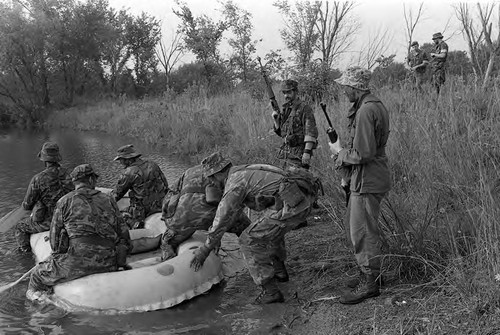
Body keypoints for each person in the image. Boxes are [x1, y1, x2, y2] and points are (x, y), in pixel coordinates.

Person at [189, 152, 319, 304]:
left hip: (294, 206)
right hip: (303, 200)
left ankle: (270, 292)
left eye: (211, 178)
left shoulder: (234, 183)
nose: (211, 183)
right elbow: (232, 214)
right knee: (268, 230)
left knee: (248, 240)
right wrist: (216, 236)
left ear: (217, 173)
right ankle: (280, 272)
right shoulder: (246, 170)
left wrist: (204, 250)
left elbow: (222, 217)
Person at [329, 66, 391, 305]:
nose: (344, 90)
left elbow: (363, 152)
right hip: (371, 176)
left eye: (346, 86)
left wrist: (340, 153)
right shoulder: (375, 105)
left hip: (367, 179)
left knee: (362, 232)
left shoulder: (365, 111)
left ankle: (370, 285)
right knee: (364, 229)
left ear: (356, 87)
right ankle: (372, 275)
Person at [26, 164, 131, 301]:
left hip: (76, 262)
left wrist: (59, 257)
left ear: (74, 182)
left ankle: (38, 301)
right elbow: (124, 234)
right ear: (92, 180)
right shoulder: (109, 199)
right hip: (108, 261)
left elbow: (55, 243)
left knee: (36, 276)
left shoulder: (64, 202)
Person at [160, 163, 251, 261]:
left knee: (168, 242)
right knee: (247, 230)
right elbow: (230, 205)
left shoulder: (189, 171)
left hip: (182, 219)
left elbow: (170, 194)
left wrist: (167, 217)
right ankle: (259, 255)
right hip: (212, 214)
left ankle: (169, 257)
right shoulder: (226, 175)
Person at [14, 142, 73, 253]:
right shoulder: (69, 174)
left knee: (20, 227)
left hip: (50, 221)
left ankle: (26, 253)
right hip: (70, 218)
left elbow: (27, 205)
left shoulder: (38, 179)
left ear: (44, 160)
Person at [112, 144, 169, 229]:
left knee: (119, 215)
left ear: (127, 159)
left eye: (121, 160)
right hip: (162, 205)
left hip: (143, 210)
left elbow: (116, 195)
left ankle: (135, 224)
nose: (120, 162)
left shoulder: (128, 173)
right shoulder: (152, 164)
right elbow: (165, 184)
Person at [272, 79, 319, 170]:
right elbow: (282, 133)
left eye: (289, 92)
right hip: (285, 154)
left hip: (298, 155)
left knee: (297, 181)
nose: (286, 95)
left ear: (295, 91)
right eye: (284, 93)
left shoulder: (304, 108)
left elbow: (310, 132)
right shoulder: (285, 109)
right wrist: (276, 121)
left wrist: (306, 152)